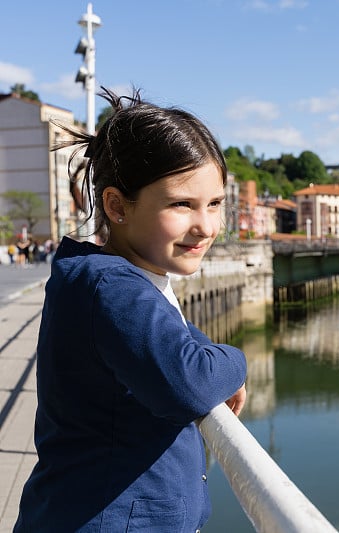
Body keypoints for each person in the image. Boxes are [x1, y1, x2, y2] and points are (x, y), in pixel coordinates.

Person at [14, 88, 247, 533]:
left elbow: (173, 332)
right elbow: (189, 383)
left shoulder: (115, 277)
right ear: (117, 205)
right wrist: (236, 362)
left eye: (215, 203)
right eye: (182, 204)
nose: (207, 226)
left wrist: (204, 348)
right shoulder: (113, 288)